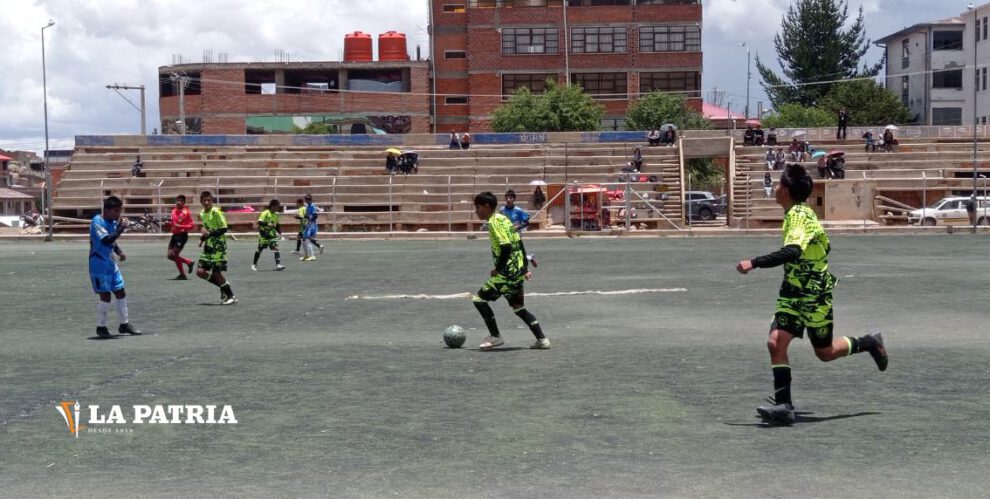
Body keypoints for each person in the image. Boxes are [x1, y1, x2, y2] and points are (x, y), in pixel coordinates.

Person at [735, 164, 888, 425]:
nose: (775, 187)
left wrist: (755, 262)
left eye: (778, 183)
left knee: (825, 353)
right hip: (792, 294)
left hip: (815, 295)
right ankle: (784, 406)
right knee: (775, 343)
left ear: (785, 189)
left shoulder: (798, 215)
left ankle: (869, 342)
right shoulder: (796, 213)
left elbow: (793, 250)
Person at [471, 191, 549, 350]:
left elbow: (506, 246)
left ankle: (495, 336)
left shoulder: (494, 222)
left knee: (479, 300)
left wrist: (497, 269)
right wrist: (524, 268)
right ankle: (542, 340)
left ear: (486, 206)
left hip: (506, 273)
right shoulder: (504, 218)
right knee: (519, 308)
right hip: (517, 271)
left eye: (477, 207)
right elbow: (518, 241)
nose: (476, 211)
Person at [89, 196, 141, 338]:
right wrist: (121, 228)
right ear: (107, 210)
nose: (118, 214)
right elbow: (106, 240)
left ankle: (124, 324)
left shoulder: (111, 222)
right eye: (115, 211)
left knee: (120, 291)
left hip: (110, 263)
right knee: (105, 296)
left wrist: (119, 252)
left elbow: (112, 240)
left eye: (119, 211)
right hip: (98, 264)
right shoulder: (97, 221)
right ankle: (101, 327)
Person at [196, 191, 237, 305]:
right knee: (200, 272)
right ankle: (223, 285)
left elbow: (224, 228)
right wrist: (202, 239)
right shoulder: (202, 213)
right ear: (201, 202)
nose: (207, 202)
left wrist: (209, 234)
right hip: (208, 246)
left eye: (209, 200)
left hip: (219, 247)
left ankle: (231, 296)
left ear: (212, 201)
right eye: (204, 200)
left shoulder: (216, 212)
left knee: (216, 274)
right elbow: (206, 229)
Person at [502, 190, 538, 267]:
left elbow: (527, 222)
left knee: (513, 252)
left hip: (516, 234)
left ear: (514, 199)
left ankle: (524, 269)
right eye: (507, 197)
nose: (508, 199)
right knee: (512, 253)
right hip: (505, 234)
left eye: (510, 198)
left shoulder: (518, 210)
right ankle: (529, 258)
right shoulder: (502, 210)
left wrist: (518, 227)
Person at [167, 194, 196, 280]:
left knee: (175, 255)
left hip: (182, 236)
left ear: (184, 203)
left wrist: (180, 226)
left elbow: (191, 226)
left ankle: (182, 275)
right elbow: (173, 224)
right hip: (174, 236)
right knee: (170, 256)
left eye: (181, 201)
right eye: (177, 200)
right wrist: (168, 224)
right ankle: (189, 262)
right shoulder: (173, 211)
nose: (179, 202)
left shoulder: (186, 212)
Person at [253, 199, 286, 272]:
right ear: (273, 206)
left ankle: (278, 264)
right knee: (259, 250)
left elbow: (277, 225)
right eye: (277, 206)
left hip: (272, 235)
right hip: (264, 235)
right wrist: (267, 224)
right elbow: (260, 221)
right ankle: (254, 264)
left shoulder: (276, 215)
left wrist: (280, 233)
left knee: (276, 248)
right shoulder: (265, 213)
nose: (278, 208)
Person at [300, 193, 323, 261]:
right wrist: (301, 218)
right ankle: (306, 256)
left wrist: (310, 218)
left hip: (312, 225)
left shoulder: (313, 206)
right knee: (303, 240)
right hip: (308, 225)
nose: (307, 200)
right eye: (306, 199)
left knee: (307, 240)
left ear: (310, 199)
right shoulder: (307, 206)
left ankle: (312, 256)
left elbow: (315, 216)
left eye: (308, 199)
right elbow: (306, 216)